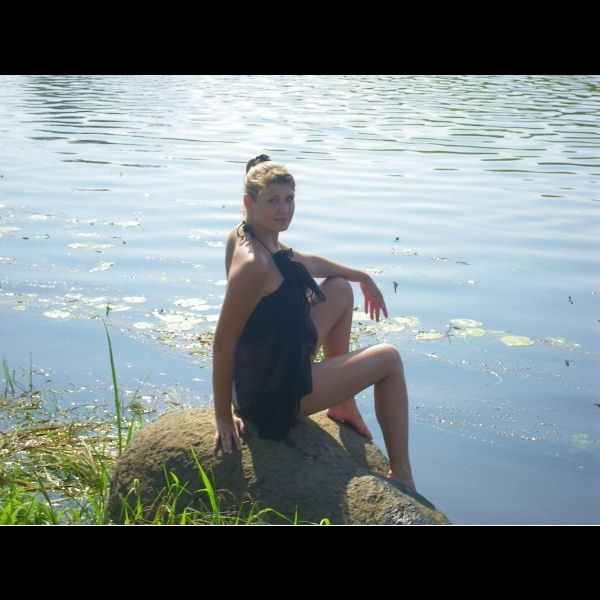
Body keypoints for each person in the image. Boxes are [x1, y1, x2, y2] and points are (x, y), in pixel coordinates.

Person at [212, 155, 415, 491]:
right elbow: (223, 343)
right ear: (249, 202)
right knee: (389, 359)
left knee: (339, 288)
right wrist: (222, 415)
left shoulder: (251, 233)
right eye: (273, 201)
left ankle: (343, 404)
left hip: (274, 362)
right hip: (271, 396)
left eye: (289, 199)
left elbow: (302, 261)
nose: (284, 210)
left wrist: (360, 275)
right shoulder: (252, 265)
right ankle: (402, 474)